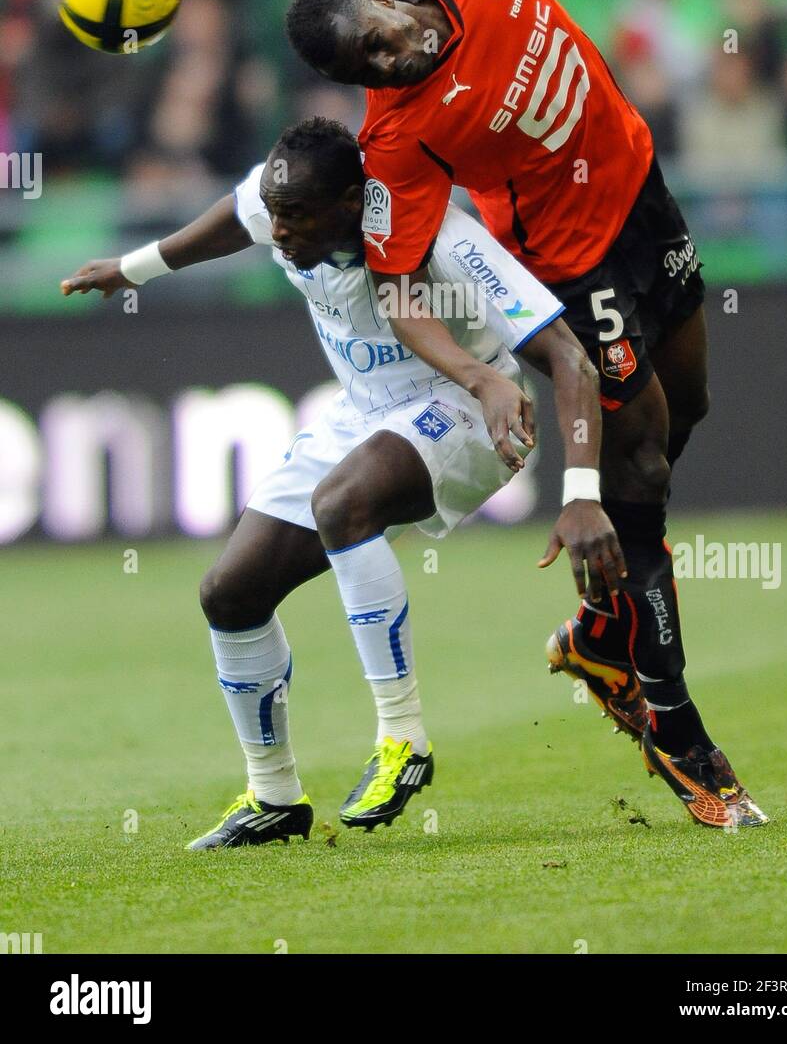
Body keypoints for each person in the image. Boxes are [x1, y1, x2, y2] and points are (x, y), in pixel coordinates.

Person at [285, 0, 771, 827]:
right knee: (633, 467)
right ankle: (678, 730)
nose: (391, 60)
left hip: (640, 186)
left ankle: (602, 633)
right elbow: (401, 279)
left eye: (382, 36)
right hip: (570, 262)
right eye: (367, 68)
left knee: (688, 413)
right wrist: (474, 371)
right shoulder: (397, 141)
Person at [61, 117, 634, 847]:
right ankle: (273, 796)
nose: (279, 230)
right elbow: (228, 224)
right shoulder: (283, 200)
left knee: (343, 504)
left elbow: (572, 360)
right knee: (229, 593)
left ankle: (403, 740)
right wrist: (133, 269)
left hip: (468, 408)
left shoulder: (444, 238)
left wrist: (581, 494)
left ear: (353, 204)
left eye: (295, 216)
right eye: (274, 212)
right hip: (362, 412)